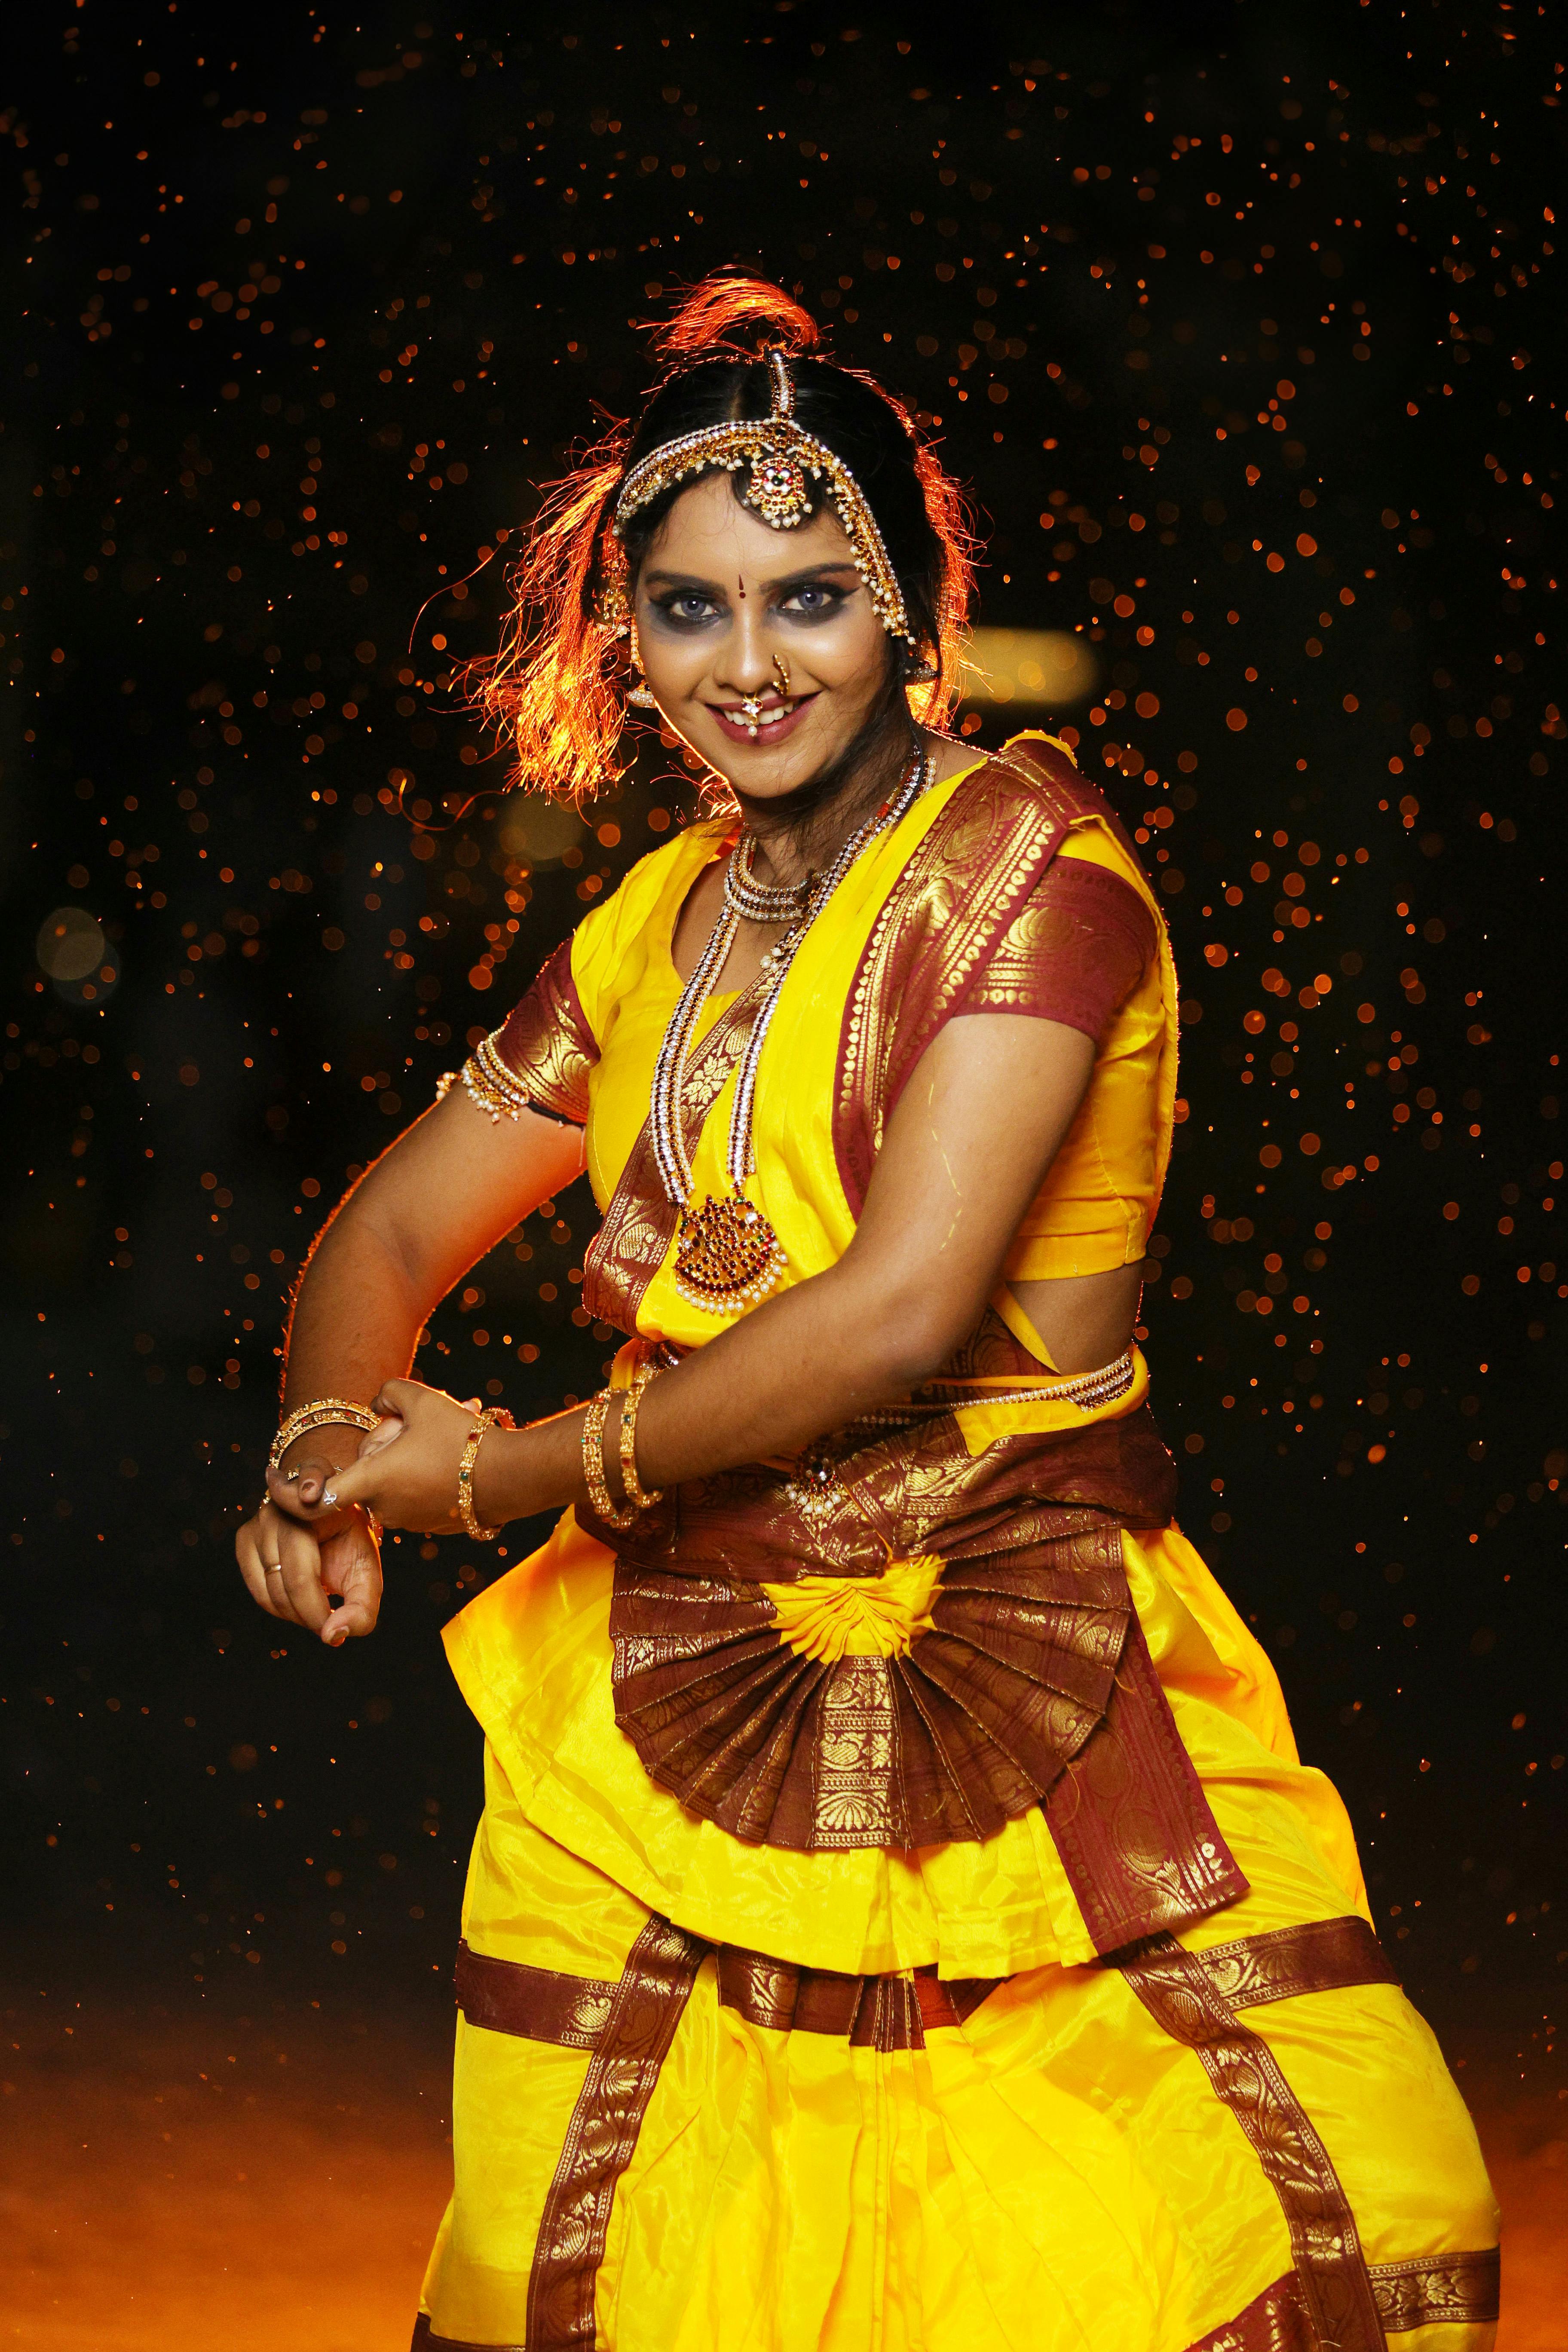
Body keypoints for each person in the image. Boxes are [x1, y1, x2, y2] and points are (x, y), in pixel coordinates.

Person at [238, 279, 1498, 2352]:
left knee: (1265, 2215)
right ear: (621, 642)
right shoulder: (661, 918)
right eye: (691, 609)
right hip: (671, 1684)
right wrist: (317, 1447)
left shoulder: (1040, 874)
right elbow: (386, 1236)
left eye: (809, 598)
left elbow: (905, 1317)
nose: (750, 664)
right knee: (663, 2255)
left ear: (914, 604)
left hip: (1030, 1659)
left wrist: (491, 1477)